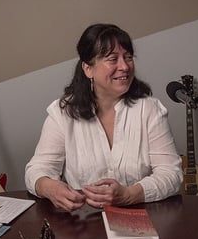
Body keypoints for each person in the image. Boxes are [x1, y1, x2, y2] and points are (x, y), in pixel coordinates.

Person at [24, 23, 182, 212]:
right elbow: (36, 169)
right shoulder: (62, 112)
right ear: (88, 68)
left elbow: (171, 174)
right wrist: (50, 188)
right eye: (113, 59)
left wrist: (129, 195)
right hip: (84, 224)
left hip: (143, 219)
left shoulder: (149, 109)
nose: (124, 66)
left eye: (129, 57)